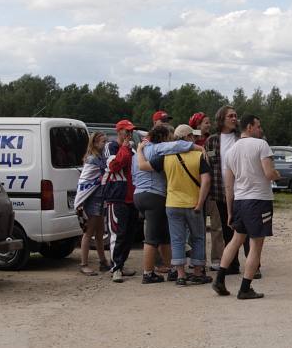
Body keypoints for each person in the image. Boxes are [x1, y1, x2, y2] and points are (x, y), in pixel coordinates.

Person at [212, 114, 280, 300]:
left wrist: (230, 210)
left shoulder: (231, 151)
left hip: (240, 201)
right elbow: (268, 173)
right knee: (256, 245)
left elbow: (228, 184)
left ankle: (219, 279)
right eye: (258, 126)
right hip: (258, 200)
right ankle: (245, 288)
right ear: (249, 127)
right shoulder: (261, 145)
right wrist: (277, 174)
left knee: (235, 240)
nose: (260, 129)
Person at [139, 124, 212, 286]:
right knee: (198, 238)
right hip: (193, 203)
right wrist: (200, 203)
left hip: (172, 203)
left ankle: (180, 275)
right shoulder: (198, 156)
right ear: (187, 138)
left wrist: (138, 151)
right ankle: (198, 272)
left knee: (177, 239)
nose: (194, 139)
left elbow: (143, 166)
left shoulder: (166, 156)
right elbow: (206, 181)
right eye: (192, 136)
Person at [205, 106, 250, 274]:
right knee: (226, 230)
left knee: (246, 229)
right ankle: (232, 264)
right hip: (219, 192)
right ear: (221, 119)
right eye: (230, 116)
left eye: (235, 116)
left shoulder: (242, 139)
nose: (234, 119)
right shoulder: (212, 141)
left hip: (242, 191)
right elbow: (209, 165)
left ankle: (254, 266)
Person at [102, 120, 140, 282]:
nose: (129, 134)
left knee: (129, 234)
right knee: (118, 234)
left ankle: (121, 264)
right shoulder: (112, 147)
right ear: (119, 132)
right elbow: (115, 165)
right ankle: (116, 268)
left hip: (131, 197)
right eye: (127, 131)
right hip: (117, 196)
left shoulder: (130, 149)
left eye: (131, 131)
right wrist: (125, 147)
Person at [191, 111, 223, 269]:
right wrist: (196, 137)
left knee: (217, 226)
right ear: (197, 126)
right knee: (197, 227)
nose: (209, 125)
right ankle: (197, 260)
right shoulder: (189, 140)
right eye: (206, 123)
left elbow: (213, 158)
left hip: (212, 189)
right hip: (195, 189)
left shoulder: (213, 140)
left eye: (209, 123)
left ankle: (217, 259)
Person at [74, 132, 109, 275]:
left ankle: (103, 262)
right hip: (92, 200)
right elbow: (86, 180)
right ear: (94, 143)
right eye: (102, 142)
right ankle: (84, 264)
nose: (105, 144)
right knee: (89, 233)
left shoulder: (100, 157)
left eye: (106, 141)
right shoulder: (93, 159)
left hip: (99, 199)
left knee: (100, 233)